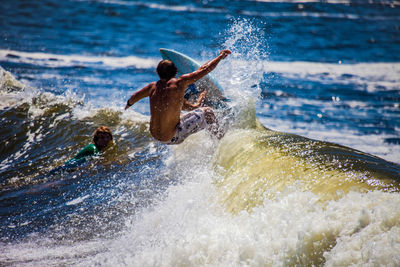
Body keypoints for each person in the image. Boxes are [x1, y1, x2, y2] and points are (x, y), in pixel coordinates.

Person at [125, 49, 231, 145]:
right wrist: (220, 57)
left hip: (156, 136)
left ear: (157, 73)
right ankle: (219, 143)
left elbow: (133, 97)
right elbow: (205, 69)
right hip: (174, 136)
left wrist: (128, 105)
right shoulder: (180, 83)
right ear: (176, 72)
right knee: (208, 112)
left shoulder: (152, 87)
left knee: (177, 107)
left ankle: (193, 101)